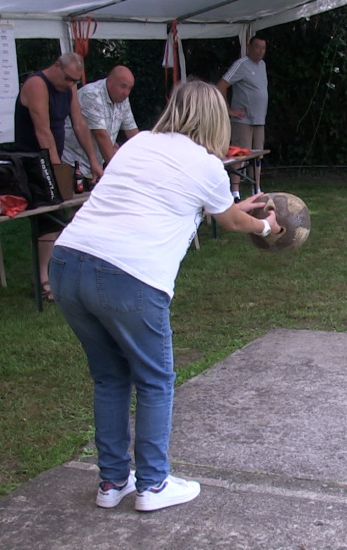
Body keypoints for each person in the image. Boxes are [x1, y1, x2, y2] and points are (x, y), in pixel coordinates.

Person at [48, 80, 280, 512]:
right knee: (155, 380)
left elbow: (218, 209)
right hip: (128, 275)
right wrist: (266, 227)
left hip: (66, 263)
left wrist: (240, 213)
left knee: (110, 377)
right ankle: (152, 486)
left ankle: (113, 483)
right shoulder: (207, 165)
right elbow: (230, 223)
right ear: (215, 118)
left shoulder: (137, 146)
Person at [14, 52, 104, 301]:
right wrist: (55, 169)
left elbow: (79, 124)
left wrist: (94, 162)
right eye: (67, 79)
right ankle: (43, 280)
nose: (69, 85)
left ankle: (59, 269)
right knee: (48, 214)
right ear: (56, 66)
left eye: (74, 81)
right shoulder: (36, 84)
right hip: (31, 161)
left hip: (53, 159)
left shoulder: (69, 86)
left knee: (64, 212)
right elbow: (43, 131)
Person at [62, 65, 140, 179]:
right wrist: (120, 173)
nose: (126, 92)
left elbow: (133, 132)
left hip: (95, 165)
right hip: (73, 163)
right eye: (123, 86)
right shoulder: (92, 94)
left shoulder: (122, 99)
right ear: (110, 81)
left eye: (129, 88)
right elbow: (100, 135)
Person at [216, 36, 268, 202]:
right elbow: (221, 85)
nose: (261, 51)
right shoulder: (241, 64)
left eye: (263, 48)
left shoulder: (263, 65)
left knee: (257, 155)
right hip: (243, 120)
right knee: (240, 154)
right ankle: (235, 192)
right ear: (249, 47)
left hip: (259, 119)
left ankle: (256, 188)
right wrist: (229, 110)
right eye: (257, 47)